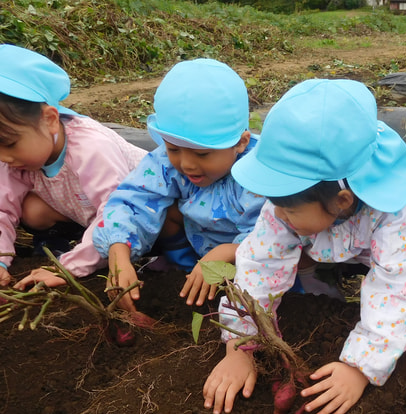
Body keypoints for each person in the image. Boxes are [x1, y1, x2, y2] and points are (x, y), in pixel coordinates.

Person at [203, 78, 406, 414]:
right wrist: (241, 345)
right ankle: (319, 269)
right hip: (329, 240)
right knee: (278, 241)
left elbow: (399, 288)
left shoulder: (400, 214)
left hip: (393, 250)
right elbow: (260, 264)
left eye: (288, 210)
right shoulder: (290, 205)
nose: (278, 215)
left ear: (342, 201)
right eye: (276, 206)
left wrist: (359, 367)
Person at [93, 58, 263, 311]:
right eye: (173, 149)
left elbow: (276, 233)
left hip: (254, 257)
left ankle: (306, 286)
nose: (187, 164)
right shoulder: (164, 162)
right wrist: (118, 251)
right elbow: (133, 200)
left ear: (240, 142)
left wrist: (229, 251)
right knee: (162, 208)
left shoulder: (260, 173)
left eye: (202, 154)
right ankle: (180, 268)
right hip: (198, 244)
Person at [0, 44, 146, 289]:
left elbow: (115, 214)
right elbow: (2, 210)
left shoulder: (91, 148)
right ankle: (73, 243)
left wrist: (68, 268)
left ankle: (106, 253)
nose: (4, 157)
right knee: (31, 210)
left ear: (50, 120)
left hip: (138, 215)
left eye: (10, 144)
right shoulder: (13, 156)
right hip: (86, 211)